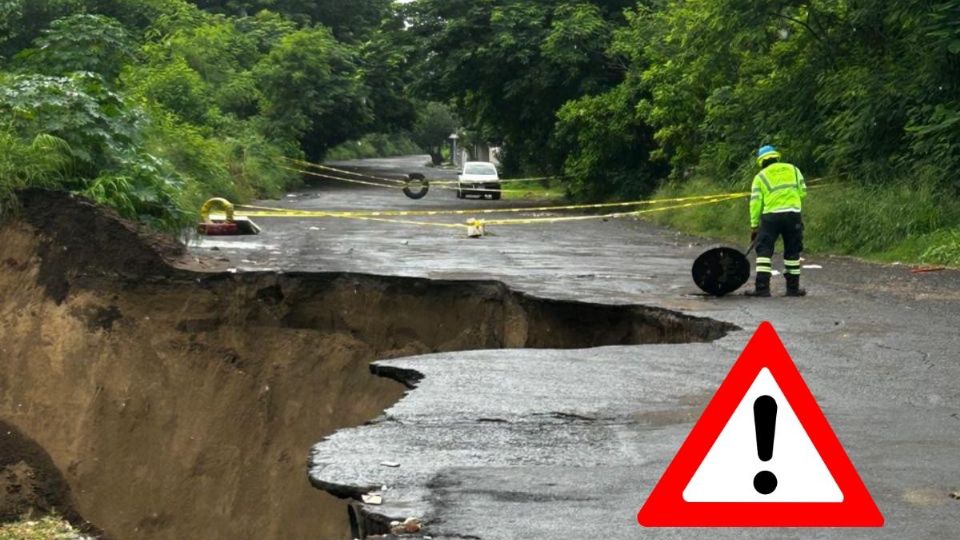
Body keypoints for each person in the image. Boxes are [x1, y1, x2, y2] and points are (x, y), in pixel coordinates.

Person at [745, 145, 808, 297]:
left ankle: (762, 289)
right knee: (793, 250)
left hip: (770, 217)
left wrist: (754, 226)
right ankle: (793, 289)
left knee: (764, 251)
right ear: (776, 157)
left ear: (761, 161)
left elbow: (755, 203)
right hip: (793, 215)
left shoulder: (760, 177)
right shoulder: (793, 170)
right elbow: (803, 192)